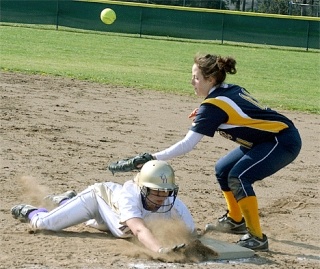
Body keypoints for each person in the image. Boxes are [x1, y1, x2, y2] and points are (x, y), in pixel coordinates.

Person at [126, 53, 302, 251]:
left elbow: (187, 144)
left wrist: (153, 157)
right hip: (264, 140)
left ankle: (257, 237)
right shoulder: (226, 90)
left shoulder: (213, 106)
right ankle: (235, 220)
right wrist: (205, 111)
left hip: (281, 141)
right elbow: (232, 108)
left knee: (239, 177)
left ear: (210, 79)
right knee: (223, 169)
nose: (191, 81)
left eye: (196, 77)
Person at [11, 160, 195, 254]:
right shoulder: (129, 196)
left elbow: (191, 235)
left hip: (111, 219)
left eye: (165, 191)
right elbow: (139, 229)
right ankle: (32, 211)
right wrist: (160, 250)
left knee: (100, 224)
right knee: (44, 225)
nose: (162, 197)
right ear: (142, 188)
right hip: (97, 200)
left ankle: (67, 202)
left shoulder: (176, 206)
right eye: (156, 191)